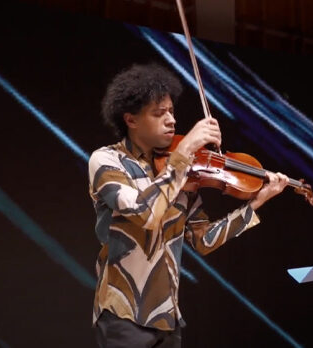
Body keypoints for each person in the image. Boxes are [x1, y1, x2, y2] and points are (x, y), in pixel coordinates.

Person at [88, 63, 288, 348]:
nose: (171, 120)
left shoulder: (182, 173)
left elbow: (204, 240)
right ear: (131, 120)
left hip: (168, 316)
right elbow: (143, 212)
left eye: (171, 111)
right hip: (122, 313)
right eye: (159, 113)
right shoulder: (107, 161)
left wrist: (256, 203)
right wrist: (182, 155)